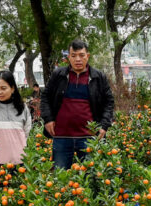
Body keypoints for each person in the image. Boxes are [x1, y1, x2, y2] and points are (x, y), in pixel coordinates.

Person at [40, 39, 115, 169]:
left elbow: (109, 102)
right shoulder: (59, 75)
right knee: (60, 179)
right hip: (61, 136)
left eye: (81, 55)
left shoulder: (98, 77)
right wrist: (48, 119)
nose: (78, 59)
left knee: (89, 178)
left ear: (88, 56)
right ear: (68, 57)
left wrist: (104, 125)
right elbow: (45, 97)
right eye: (73, 56)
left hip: (89, 137)